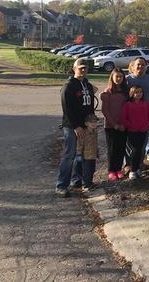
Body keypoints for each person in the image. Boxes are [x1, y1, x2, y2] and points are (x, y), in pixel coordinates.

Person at [55, 58, 95, 197]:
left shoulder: (88, 85)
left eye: (85, 68)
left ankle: (76, 180)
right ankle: (61, 185)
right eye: (80, 68)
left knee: (82, 154)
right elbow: (67, 108)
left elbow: (90, 106)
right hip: (72, 126)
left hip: (86, 125)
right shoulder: (68, 86)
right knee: (69, 155)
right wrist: (76, 126)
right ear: (74, 68)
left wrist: (91, 120)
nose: (83, 70)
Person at [119, 85, 149, 180]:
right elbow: (123, 118)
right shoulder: (128, 104)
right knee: (135, 150)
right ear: (132, 93)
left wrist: (147, 124)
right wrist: (131, 125)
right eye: (136, 92)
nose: (138, 94)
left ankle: (138, 169)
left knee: (140, 149)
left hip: (143, 130)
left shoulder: (145, 104)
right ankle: (132, 170)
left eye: (140, 92)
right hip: (132, 131)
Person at [101, 68, 128, 181]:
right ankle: (112, 170)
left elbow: (128, 109)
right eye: (116, 76)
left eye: (120, 77)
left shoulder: (125, 92)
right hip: (111, 126)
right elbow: (105, 111)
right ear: (112, 77)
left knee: (121, 147)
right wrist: (114, 124)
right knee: (112, 148)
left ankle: (118, 169)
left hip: (123, 125)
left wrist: (123, 124)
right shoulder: (107, 92)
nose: (118, 79)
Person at [75, 113, 99, 192]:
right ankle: (85, 185)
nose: (93, 124)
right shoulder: (84, 133)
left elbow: (95, 143)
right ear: (86, 123)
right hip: (86, 155)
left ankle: (90, 182)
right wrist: (79, 152)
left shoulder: (95, 131)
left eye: (95, 122)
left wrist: (97, 152)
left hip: (93, 154)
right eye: (91, 122)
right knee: (86, 170)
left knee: (92, 169)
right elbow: (80, 143)